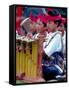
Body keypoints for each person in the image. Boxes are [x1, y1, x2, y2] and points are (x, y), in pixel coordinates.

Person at [42, 9, 65, 81]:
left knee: (40, 69)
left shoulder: (57, 36)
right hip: (47, 65)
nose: (47, 25)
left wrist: (38, 44)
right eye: (47, 22)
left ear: (56, 24)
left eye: (50, 22)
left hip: (54, 67)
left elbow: (45, 54)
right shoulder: (49, 34)